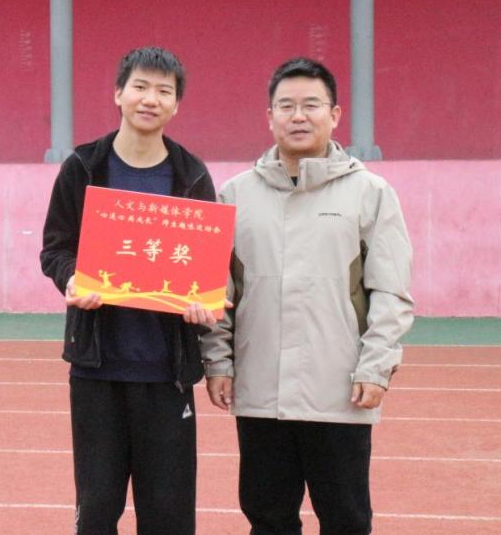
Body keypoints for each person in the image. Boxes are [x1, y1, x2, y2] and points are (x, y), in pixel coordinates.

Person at [202, 57, 414, 535]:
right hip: (260, 394)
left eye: (311, 105)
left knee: (346, 520)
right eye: (286, 106)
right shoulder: (235, 195)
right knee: (268, 518)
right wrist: (218, 362)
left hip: (339, 393)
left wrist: (376, 367)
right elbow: (219, 292)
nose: (298, 116)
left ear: (335, 114)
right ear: (269, 116)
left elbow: (391, 292)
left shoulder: (370, 193)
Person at [40, 46, 218, 535]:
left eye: (163, 91)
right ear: (118, 93)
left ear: (176, 104)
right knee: (97, 510)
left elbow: (208, 265)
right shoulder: (83, 167)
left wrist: (204, 300)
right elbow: (55, 248)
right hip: (97, 369)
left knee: (169, 515)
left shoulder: (192, 175)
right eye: (140, 87)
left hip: (167, 372)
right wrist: (72, 278)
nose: (150, 99)